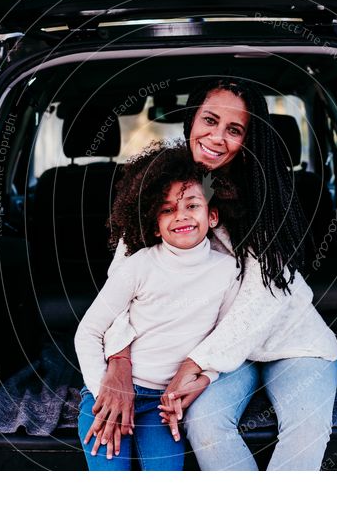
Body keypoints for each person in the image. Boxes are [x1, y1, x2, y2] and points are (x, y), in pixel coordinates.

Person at [87, 77, 337, 471]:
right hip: (223, 354)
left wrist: (195, 365)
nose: (217, 136)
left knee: (306, 425)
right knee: (204, 423)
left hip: (288, 341)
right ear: (191, 121)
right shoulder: (164, 185)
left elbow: (261, 302)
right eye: (209, 120)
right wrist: (119, 360)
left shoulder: (264, 193)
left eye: (234, 129)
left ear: (247, 140)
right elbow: (124, 279)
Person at [74, 143, 239, 471]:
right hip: (112, 392)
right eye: (166, 210)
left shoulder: (227, 271)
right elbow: (88, 332)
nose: (181, 215)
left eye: (193, 204)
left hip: (163, 407)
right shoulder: (139, 266)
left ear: (213, 214)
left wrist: (203, 376)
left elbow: (225, 339)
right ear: (153, 225)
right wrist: (103, 391)